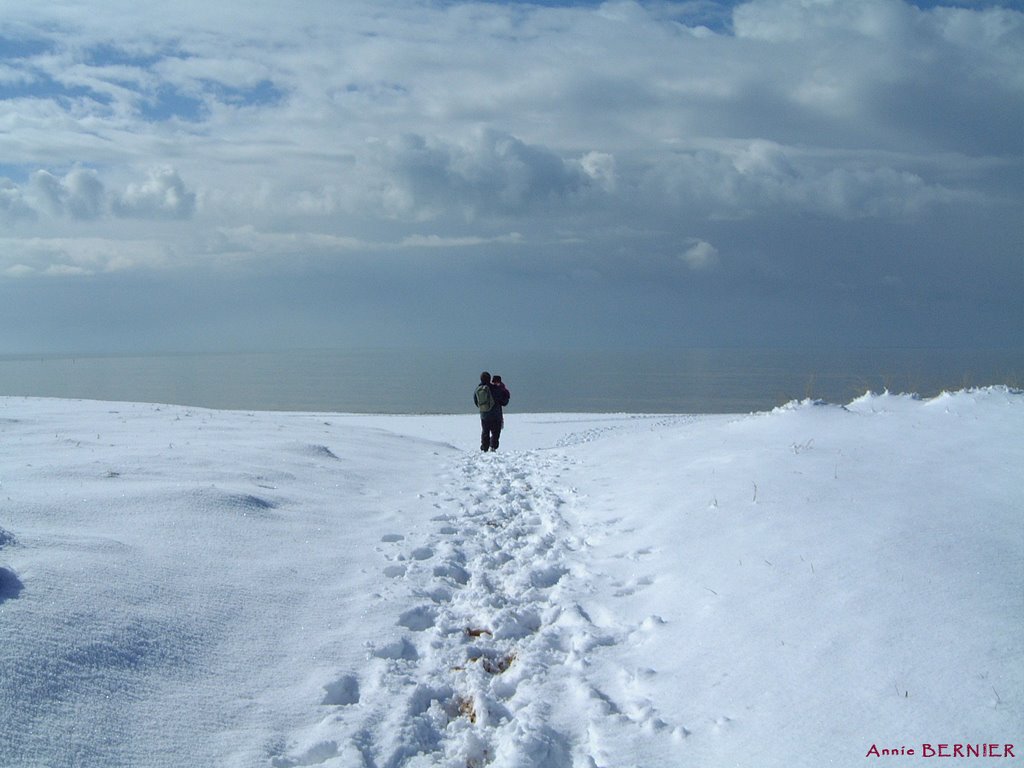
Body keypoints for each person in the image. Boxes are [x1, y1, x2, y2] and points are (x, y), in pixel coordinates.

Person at [473, 371, 508, 452]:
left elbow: (476, 402)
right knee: (495, 432)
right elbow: (504, 401)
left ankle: (484, 448)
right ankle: (493, 447)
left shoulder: (477, 390)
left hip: (484, 415)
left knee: (485, 431)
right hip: (496, 415)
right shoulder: (495, 389)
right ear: (489, 379)